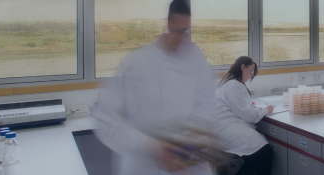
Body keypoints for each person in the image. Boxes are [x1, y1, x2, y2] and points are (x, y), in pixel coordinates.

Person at [91, 0, 219, 174]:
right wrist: (148, 144)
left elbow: (205, 101)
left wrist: (199, 136)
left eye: (184, 31)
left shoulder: (194, 56)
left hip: (187, 162)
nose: (180, 37)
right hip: (144, 165)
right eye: (176, 30)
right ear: (167, 24)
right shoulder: (135, 63)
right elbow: (106, 118)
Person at [211, 56, 275, 175]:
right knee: (264, 153)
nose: (251, 74)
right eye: (251, 70)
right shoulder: (234, 85)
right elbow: (248, 115)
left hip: (224, 127)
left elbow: (241, 108)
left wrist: (248, 106)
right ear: (242, 66)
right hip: (227, 128)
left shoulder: (229, 83)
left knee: (260, 156)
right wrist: (266, 110)